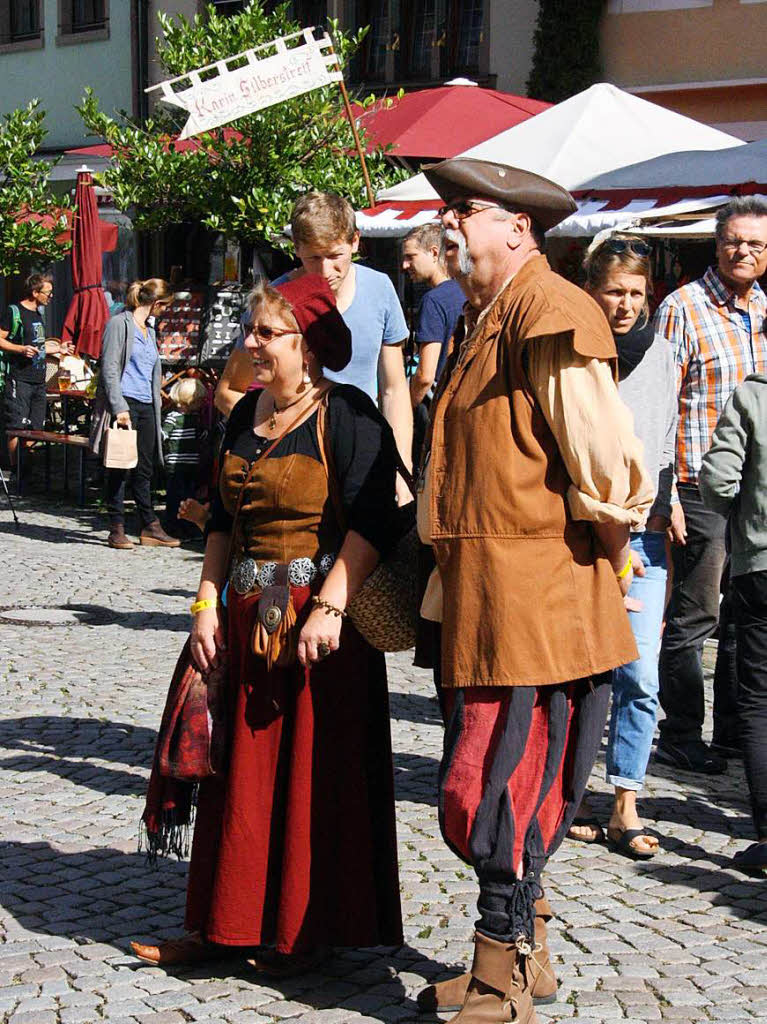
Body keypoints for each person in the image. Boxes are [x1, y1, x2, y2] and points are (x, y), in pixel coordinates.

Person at [414, 158, 653, 1024]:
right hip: (487, 597)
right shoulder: (489, 313)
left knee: (498, 785)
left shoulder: (550, 308)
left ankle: (502, 974)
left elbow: (605, 457)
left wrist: (610, 556)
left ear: (518, 226)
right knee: (489, 778)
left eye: (467, 211)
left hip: (536, 602)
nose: (451, 225)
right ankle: (523, 961)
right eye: (448, 211)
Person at [131, 274, 403, 971]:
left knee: (306, 780)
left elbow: (373, 521)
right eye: (251, 332)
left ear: (307, 346)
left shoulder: (347, 416)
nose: (250, 345)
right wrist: (203, 606)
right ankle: (220, 925)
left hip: (318, 631)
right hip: (245, 618)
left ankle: (297, 935)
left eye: (266, 334)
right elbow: (220, 521)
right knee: (236, 779)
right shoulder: (245, 413)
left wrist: (333, 607)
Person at [567, 234, 676, 860]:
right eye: (615, 291)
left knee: (640, 675)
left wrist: (669, 498)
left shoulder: (660, 353)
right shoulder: (575, 351)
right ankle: (574, 790)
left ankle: (626, 800)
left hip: (645, 538)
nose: (626, 304)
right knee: (584, 672)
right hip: (583, 535)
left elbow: (662, 436)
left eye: (636, 293)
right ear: (593, 291)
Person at [655, 196, 767, 773]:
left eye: (755, 243)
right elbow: (662, 406)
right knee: (696, 614)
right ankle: (679, 731)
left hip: (757, 495)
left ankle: (733, 732)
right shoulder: (682, 308)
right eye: (733, 241)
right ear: (716, 243)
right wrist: (667, 491)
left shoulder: (765, 311)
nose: (743, 251)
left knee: (743, 616)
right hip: (700, 484)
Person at [215, 192, 413, 503]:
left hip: (363, 460)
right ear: (296, 249)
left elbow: (393, 389)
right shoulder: (274, 301)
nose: (324, 271)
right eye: (313, 258)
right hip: (296, 475)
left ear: (355, 242)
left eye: (335, 256)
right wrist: (281, 439)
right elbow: (229, 391)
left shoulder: (380, 288)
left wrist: (401, 468)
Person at [699, 374, 767, 874]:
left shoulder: (752, 396)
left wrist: (743, 521)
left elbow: (719, 481)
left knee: (761, 700)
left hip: (760, 565)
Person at [89, 278, 179, 550]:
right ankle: (116, 527)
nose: (166, 311)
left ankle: (148, 524)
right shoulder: (119, 324)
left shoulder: (149, 331)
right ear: (156, 303)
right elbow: (110, 368)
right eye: (165, 306)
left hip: (146, 404)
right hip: (125, 403)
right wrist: (119, 407)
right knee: (119, 464)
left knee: (145, 467)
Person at [401, 223, 465, 466]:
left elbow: (426, 375)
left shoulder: (433, 300)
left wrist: (405, 406)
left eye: (411, 257)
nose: (405, 266)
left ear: (434, 252)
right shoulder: (466, 292)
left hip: (437, 410)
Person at [0, 273, 71, 465]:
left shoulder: (38, 315)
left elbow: (39, 346)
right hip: (19, 378)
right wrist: (20, 349)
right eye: (47, 293)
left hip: (39, 380)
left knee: (35, 427)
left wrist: (58, 348)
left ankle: (28, 468)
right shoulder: (14, 312)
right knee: (17, 427)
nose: (51, 296)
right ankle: (17, 472)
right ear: (34, 292)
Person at [162, 377, 208, 539]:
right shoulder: (173, 417)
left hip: (191, 465)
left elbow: (201, 437)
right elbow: (163, 435)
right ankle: (173, 526)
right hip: (176, 465)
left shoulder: (196, 419)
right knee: (175, 497)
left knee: (189, 498)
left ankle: (188, 526)